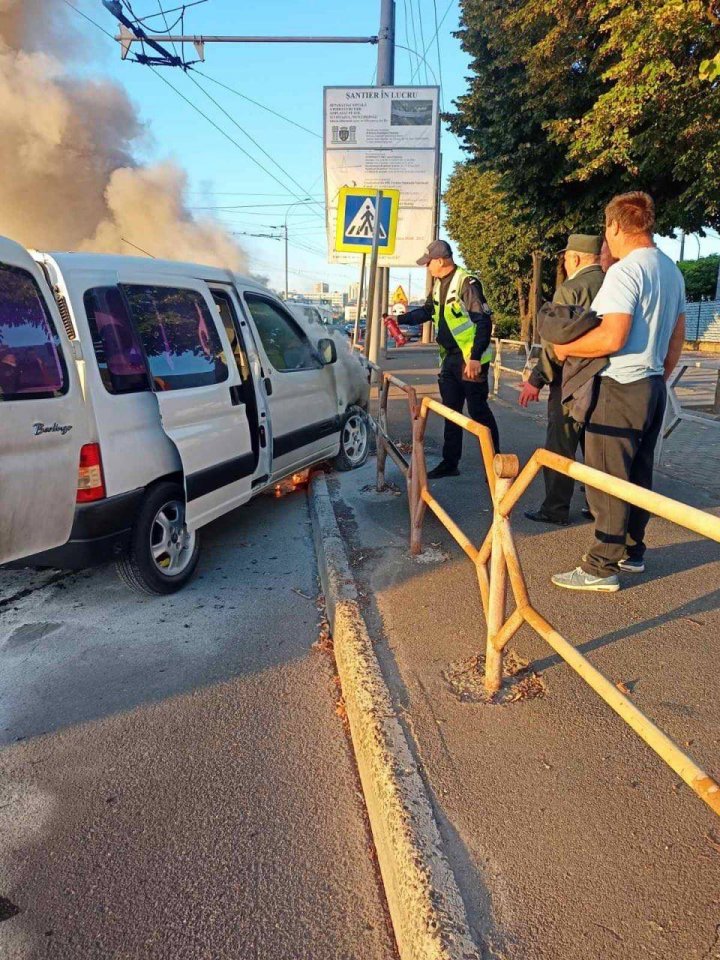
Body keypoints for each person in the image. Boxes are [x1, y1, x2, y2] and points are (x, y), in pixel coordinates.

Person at [550, 192, 686, 592]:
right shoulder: (670, 269)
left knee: (606, 477)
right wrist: (660, 373)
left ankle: (600, 566)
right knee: (638, 472)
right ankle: (632, 551)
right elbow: (677, 333)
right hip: (652, 387)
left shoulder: (626, 272)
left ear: (613, 226)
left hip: (620, 386)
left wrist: (566, 348)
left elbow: (612, 335)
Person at [519, 234, 606, 524]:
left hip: (572, 378)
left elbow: (555, 346)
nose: (565, 262)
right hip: (607, 379)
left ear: (577, 258)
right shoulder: (614, 284)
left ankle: (554, 509)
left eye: (567, 257)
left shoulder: (571, 289)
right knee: (597, 447)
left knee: (560, 443)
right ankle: (599, 509)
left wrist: (536, 379)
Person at [398, 239, 499, 478]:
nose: (427, 267)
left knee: (478, 411)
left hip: (470, 361)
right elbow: (426, 312)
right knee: (451, 412)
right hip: (450, 360)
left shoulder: (467, 283)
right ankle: (450, 463)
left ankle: (495, 462)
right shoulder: (438, 285)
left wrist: (475, 358)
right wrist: (398, 320)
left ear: (441, 260)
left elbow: (483, 321)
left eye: (428, 263)